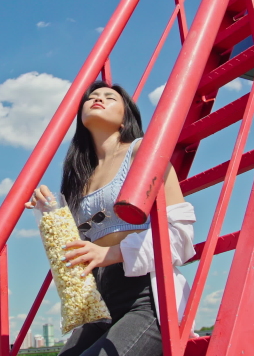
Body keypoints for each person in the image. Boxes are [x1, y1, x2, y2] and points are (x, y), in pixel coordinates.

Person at [26, 80, 197, 356]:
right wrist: (48, 213)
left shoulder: (143, 152)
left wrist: (111, 253)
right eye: (92, 96)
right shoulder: (77, 178)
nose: (99, 99)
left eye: (110, 97)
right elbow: (75, 252)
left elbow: (180, 235)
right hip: (99, 300)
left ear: (124, 117)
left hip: (149, 297)